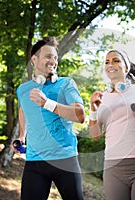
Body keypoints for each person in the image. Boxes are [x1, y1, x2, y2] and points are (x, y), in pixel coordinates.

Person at [13, 36, 85, 200]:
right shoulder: (23, 89)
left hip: (65, 160)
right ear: (34, 59)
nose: (53, 61)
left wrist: (47, 104)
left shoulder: (66, 84)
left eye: (55, 57)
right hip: (34, 161)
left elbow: (80, 115)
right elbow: (23, 110)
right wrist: (22, 136)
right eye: (48, 56)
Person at [89, 49, 135, 200]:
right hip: (113, 169)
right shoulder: (101, 98)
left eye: (116, 60)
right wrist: (93, 110)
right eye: (107, 62)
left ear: (126, 67)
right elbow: (95, 135)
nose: (111, 64)